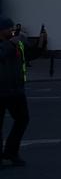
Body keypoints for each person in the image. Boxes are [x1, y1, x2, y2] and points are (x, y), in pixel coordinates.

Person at [0, 17, 29, 166]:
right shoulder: (7, 44)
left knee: (23, 119)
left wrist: (41, 43)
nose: (11, 31)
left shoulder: (14, 43)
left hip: (15, 90)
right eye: (8, 29)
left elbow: (29, 56)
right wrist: (10, 43)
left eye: (12, 29)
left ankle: (11, 152)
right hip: (2, 90)